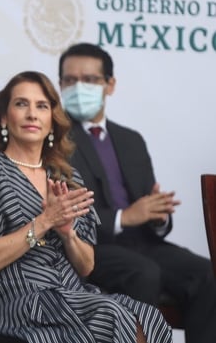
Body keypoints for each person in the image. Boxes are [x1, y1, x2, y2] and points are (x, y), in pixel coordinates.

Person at [0, 71, 171, 343]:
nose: (32, 114)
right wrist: (44, 221)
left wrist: (68, 233)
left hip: (72, 295)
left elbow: (86, 266)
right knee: (111, 315)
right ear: (4, 118)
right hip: (19, 299)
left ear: (52, 122)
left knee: (147, 317)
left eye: (42, 106)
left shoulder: (69, 178)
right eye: (22, 104)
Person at [59, 42, 216, 342]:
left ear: (110, 85)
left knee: (205, 273)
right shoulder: (56, 140)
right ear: (60, 85)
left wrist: (158, 218)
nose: (79, 87)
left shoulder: (131, 140)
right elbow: (68, 215)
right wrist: (124, 217)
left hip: (143, 244)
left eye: (89, 79)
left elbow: (149, 210)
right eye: (70, 80)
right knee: (143, 272)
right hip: (91, 248)